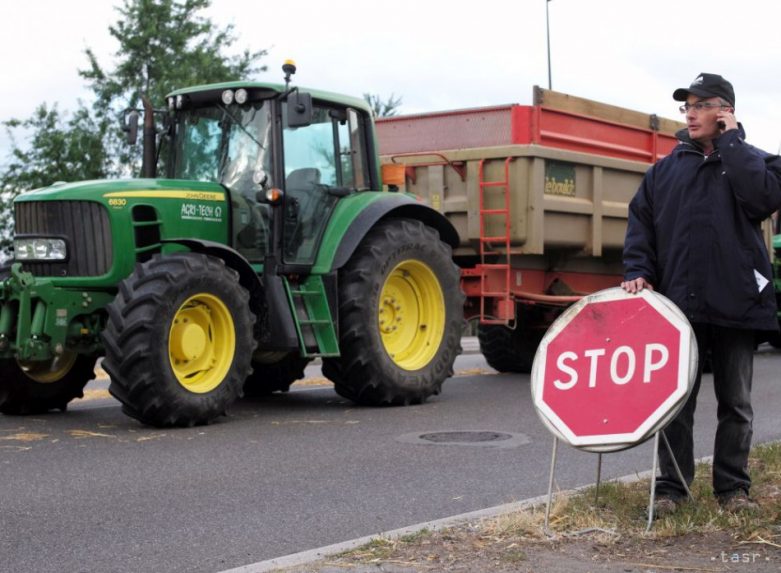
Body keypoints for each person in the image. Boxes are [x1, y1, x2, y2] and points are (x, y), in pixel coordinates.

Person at [621, 73, 781, 515]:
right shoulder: (664, 172)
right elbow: (641, 227)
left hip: (737, 304)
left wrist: (732, 144)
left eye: (701, 104)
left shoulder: (760, 164)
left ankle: (733, 490)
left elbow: (762, 200)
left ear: (725, 110)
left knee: (737, 403)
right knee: (675, 403)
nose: (690, 113)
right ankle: (672, 489)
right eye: (685, 106)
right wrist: (638, 270)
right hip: (679, 307)